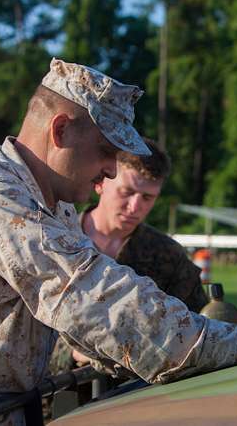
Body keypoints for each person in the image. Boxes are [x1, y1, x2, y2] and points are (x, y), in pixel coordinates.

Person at [0, 58, 237, 424]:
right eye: (106, 151)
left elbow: (86, 319)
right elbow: (90, 295)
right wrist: (230, 344)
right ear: (61, 130)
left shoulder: (54, 205)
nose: (112, 170)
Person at [49, 142, 207, 376]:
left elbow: (195, 332)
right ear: (101, 182)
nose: (135, 207)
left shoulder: (168, 257)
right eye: (127, 192)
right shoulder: (56, 242)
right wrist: (71, 352)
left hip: (135, 396)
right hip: (57, 396)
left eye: (147, 197)